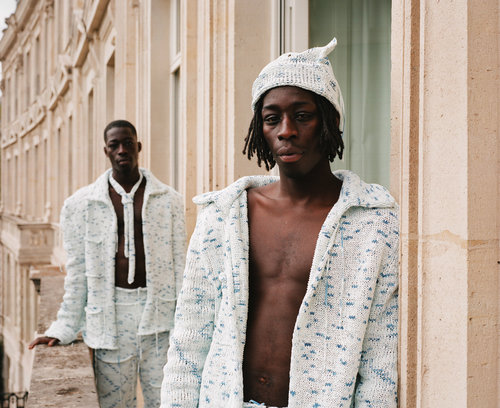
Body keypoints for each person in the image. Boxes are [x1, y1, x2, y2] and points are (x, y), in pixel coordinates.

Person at [161, 38, 399, 408]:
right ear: (261, 129)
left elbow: (380, 359)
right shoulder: (223, 217)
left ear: (331, 121)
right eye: (272, 119)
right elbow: (189, 338)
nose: (286, 130)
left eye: (302, 116)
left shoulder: (375, 225)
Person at [29, 120, 186, 408]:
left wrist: (186, 323)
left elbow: (180, 267)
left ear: (138, 147)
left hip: (160, 317)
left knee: (167, 400)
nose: (122, 150)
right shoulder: (81, 205)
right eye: (114, 145)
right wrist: (64, 326)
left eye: (128, 143)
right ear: (106, 151)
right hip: (110, 318)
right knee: (115, 403)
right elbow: (78, 273)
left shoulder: (169, 201)